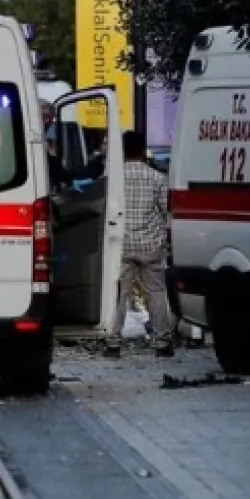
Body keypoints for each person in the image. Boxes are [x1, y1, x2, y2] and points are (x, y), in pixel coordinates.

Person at [105, 130, 175, 358]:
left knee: (119, 294)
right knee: (156, 292)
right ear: (142, 150)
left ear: (122, 150)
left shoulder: (112, 178)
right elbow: (167, 212)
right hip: (150, 245)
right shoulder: (157, 178)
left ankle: (113, 342)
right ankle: (162, 342)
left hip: (121, 245)